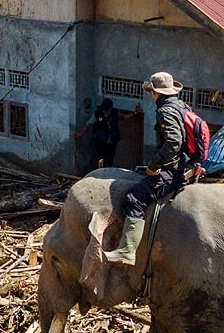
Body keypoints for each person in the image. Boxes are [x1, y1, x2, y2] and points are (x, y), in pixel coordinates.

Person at [104, 72, 189, 266]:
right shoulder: (182, 106)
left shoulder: (165, 111)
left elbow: (174, 142)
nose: (151, 94)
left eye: (151, 91)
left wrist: (154, 166)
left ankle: (127, 251)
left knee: (134, 198)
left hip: (172, 169)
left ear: (155, 92)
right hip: (185, 165)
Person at [75, 98, 141, 172]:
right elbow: (89, 123)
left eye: (106, 109)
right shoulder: (97, 113)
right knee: (99, 156)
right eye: (103, 109)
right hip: (100, 141)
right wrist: (80, 134)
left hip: (112, 141)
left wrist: (135, 113)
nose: (104, 111)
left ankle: (107, 171)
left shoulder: (114, 113)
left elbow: (123, 117)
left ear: (110, 108)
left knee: (109, 159)